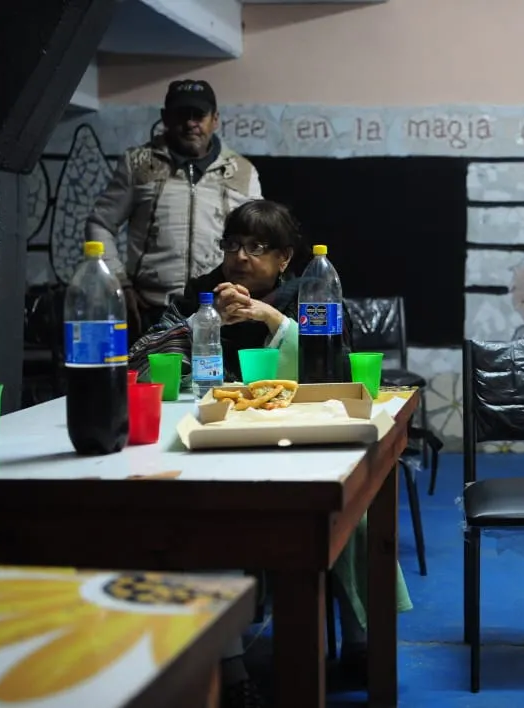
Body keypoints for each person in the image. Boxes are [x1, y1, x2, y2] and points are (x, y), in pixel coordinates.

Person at [130, 200, 413, 705]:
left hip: (298, 440)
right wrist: (202, 322)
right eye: (233, 245)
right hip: (210, 442)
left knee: (352, 516)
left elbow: (338, 369)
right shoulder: (198, 294)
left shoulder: (309, 295)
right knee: (199, 520)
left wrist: (274, 319)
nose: (240, 257)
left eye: (256, 247)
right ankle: (231, 668)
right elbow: (141, 362)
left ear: (284, 258)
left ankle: (361, 642)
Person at [86, 79, 263, 339]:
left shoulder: (242, 172)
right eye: (181, 114)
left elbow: (258, 237)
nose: (190, 123)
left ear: (215, 119)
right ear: (165, 118)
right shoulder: (137, 164)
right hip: (149, 309)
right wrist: (118, 283)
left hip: (218, 308)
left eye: (198, 115)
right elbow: (100, 223)